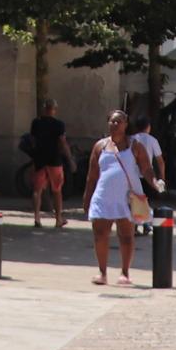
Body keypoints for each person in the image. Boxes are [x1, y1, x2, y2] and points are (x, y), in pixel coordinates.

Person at [83, 110, 149, 287]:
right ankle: (102, 272)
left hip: (126, 198)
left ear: (126, 124)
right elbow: (92, 176)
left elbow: (146, 168)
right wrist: (87, 198)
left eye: (119, 121)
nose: (115, 124)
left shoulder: (134, 146)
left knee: (126, 236)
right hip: (103, 196)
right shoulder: (100, 146)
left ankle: (125, 273)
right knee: (100, 235)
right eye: (112, 121)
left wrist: (156, 182)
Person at [25, 97, 71, 228]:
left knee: (37, 190)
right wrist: (69, 158)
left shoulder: (36, 123)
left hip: (39, 159)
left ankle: (37, 218)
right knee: (57, 190)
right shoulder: (59, 124)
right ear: (54, 110)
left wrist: (34, 154)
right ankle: (58, 219)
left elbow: (32, 140)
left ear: (44, 108)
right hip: (54, 159)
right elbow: (62, 141)